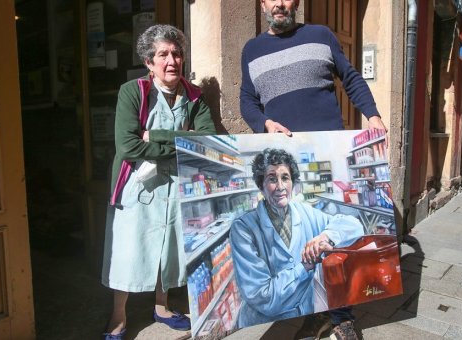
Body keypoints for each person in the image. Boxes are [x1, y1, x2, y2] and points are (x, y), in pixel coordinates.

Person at [240, 0, 386, 338]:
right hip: (285, 163)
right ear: (263, 4)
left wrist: (373, 115)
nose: (279, 4)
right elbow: (247, 100)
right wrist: (263, 123)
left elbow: (350, 78)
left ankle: (342, 315)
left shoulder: (321, 35)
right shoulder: (252, 49)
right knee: (298, 240)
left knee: (333, 231)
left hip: (328, 156)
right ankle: (313, 308)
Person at [102, 24, 216, 339]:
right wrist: (183, 140)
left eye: (177, 53)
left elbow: (209, 140)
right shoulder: (133, 91)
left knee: (170, 248)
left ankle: (162, 306)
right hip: (138, 186)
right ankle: (118, 315)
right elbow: (128, 147)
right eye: (163, 54)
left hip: (179, 184)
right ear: (149, 63)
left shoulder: (194, 96)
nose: (172, 61)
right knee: (129, 249)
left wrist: (156, 136)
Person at [229, 148, 364, 329]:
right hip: (263, 327)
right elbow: (263, 297)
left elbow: (353, 225)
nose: (280, 186)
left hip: (303, 317)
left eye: (285, 178)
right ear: (261, 185)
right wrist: (305, 266)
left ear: (292, 182)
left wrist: (326, 237)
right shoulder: (243, 228)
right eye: (271, 179)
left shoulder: (304, 212)